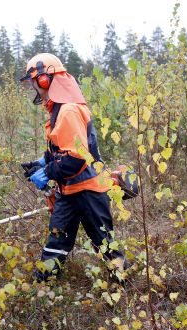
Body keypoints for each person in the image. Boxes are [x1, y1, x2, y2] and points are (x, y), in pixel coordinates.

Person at [19, 53, 129, 283]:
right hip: (69, 191)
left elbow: (76, 159)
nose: (33, 89)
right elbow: (62, 147)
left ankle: (125, 284)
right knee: (57, 242)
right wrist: (42, 162)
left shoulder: (68, 110)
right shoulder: (58, 109)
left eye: (33, 83)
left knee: (104, 242)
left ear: (44, 80)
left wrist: (47, 172)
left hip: (89, 189)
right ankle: (43, 286)